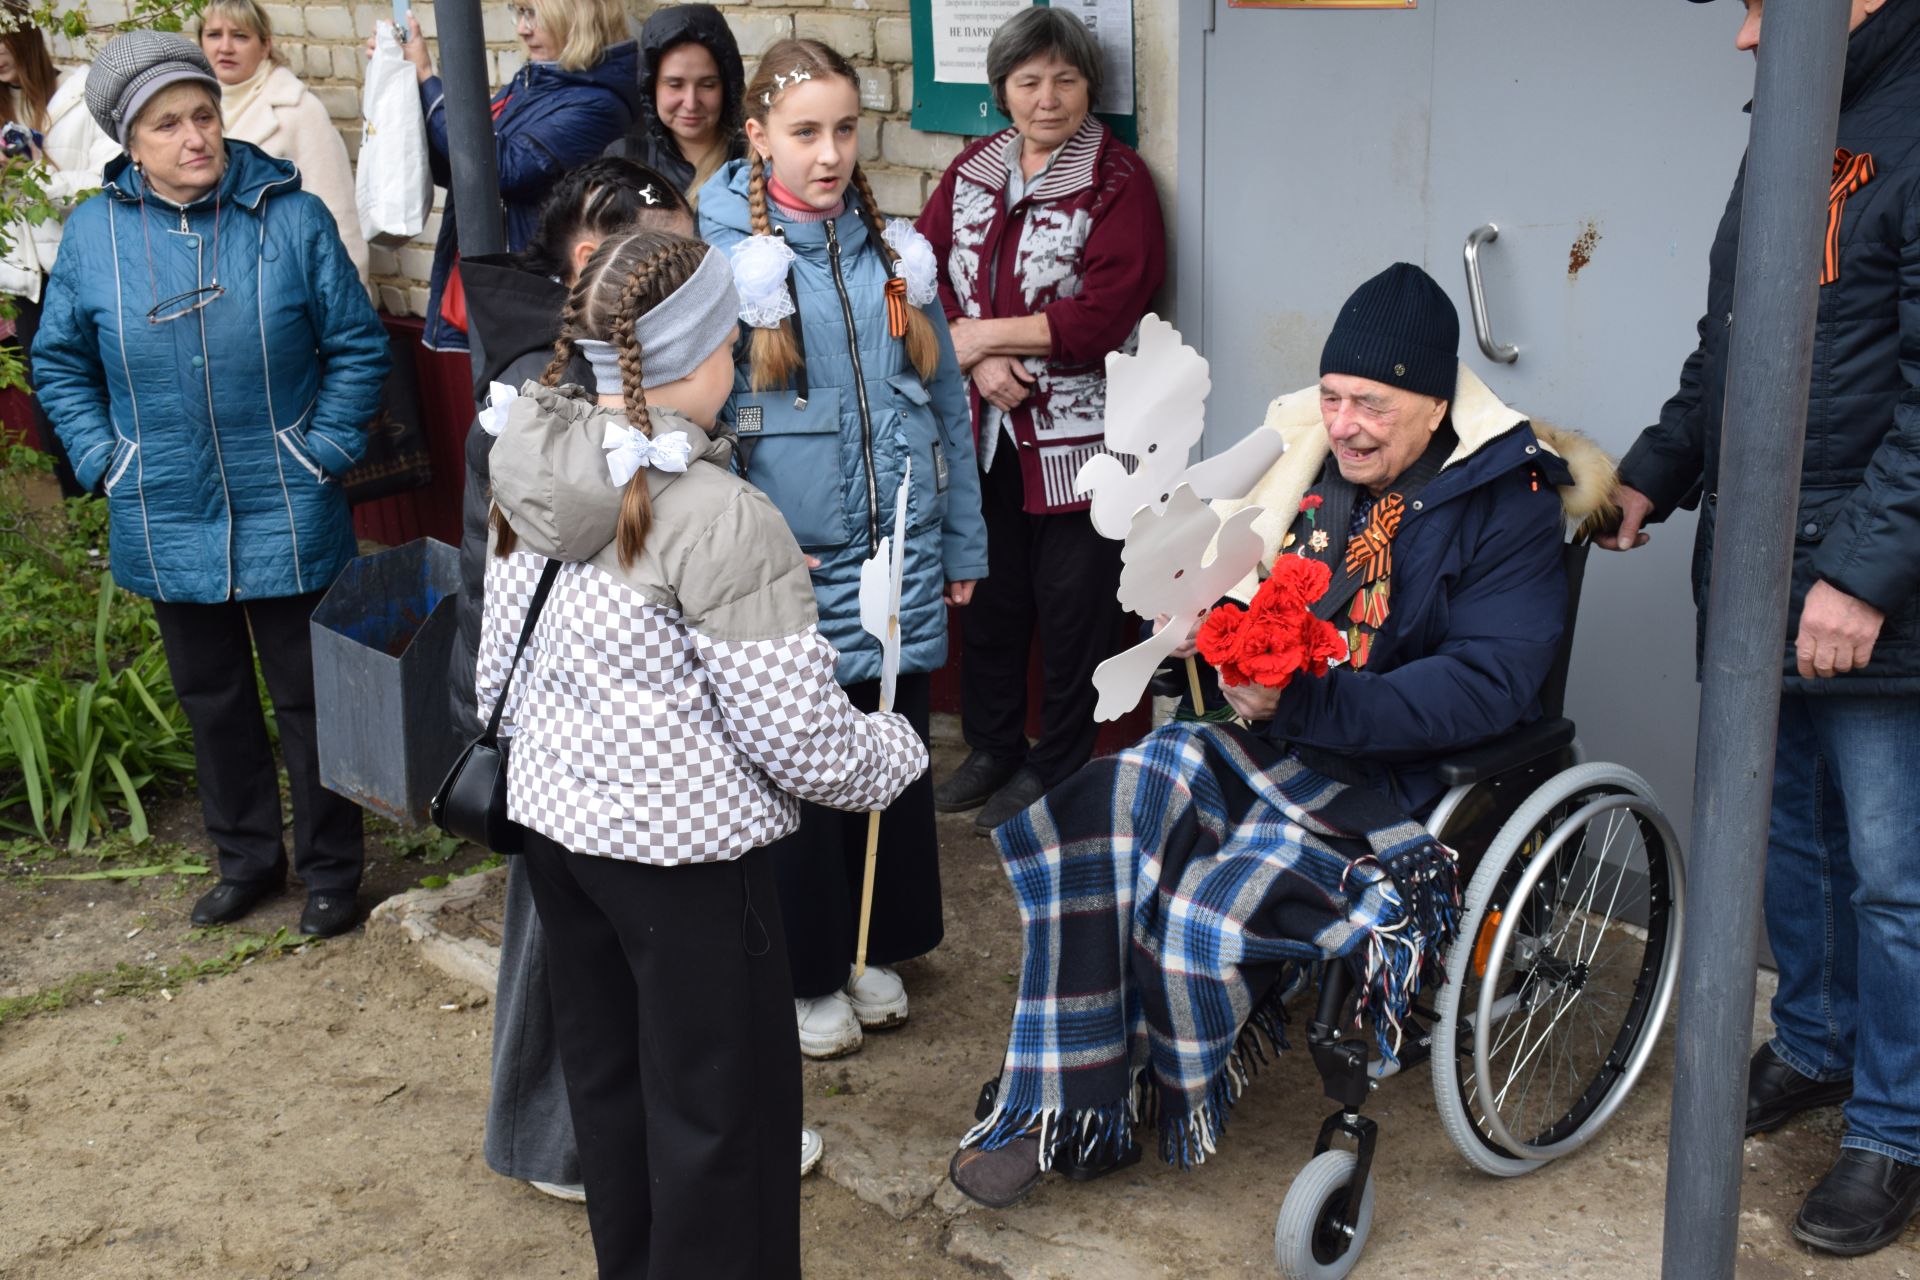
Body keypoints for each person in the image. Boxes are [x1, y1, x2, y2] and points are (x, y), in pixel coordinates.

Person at [947, 263, 1617, 1208]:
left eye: (1371, 405)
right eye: (1333, 397)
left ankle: (1128, 1087)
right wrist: (1201, 625)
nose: (1342, 424)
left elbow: (1487, 687)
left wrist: (1300, 703)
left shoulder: (1509, 505)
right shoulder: (1308, 467)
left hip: (1392, 784)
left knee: (1196, 903)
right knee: (1106, 811)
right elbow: (1226, 572)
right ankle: (1063, 1094)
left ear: (1435, 403)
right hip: (1269, 741)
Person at [479, 228, 927, 1277]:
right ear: (710, 349)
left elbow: (493, 659)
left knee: (615, 1084)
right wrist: (892, 749)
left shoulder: (530, 463)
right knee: (727, 1115)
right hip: (685, 865)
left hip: (559, 835)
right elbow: (800, 740)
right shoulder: (722, 513)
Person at [1603, 0, 1920, 1256]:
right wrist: (1650, 472)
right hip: (1759, 579)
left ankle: (1895, 1125)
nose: (1747, 38)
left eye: (1761, 5)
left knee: (1895, 879)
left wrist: (1864, 576)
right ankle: (1818, 1043)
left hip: (1863, 594)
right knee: (1785, 836)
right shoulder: (1797, 126)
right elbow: (1731, 351)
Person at [32, 32, 388, 937]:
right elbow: (61, 364)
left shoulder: (290, 218)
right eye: (168, 124)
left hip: (289, 497)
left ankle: (331, 872)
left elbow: (356, 344)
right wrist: (109, 460)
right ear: (130, 141)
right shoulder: (95, 237)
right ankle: (246, 862)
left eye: (202, 115)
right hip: (165, 505)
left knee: (310, 701)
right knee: (214, 701)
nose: (195, 136)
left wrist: (323, 450)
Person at [699, 38, 988, 1060]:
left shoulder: (893, 254)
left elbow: (945, 401)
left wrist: (961, 538)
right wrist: (741, 553)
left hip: (896, 555)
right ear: (758, 136)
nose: (829, 154)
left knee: (892, 747)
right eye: (804, 132)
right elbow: (701, 422)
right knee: (804, 771)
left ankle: (875, 941)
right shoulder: (720, 253)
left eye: (845, 129)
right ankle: (807, 965)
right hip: (791, 568)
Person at [448, 156, 693, 1207]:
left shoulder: (638, 374)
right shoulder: (535, 404)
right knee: (563, 953)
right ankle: (556, 1143)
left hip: (621, 723)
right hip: (576, 729)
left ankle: (607, 1132)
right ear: (597, 265)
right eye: (672, 254)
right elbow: (501, 573)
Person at [916, 6, 1166, 836]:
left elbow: (1102, 315)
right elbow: (923, 276)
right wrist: (978, 361)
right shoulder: (971, 171)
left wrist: (980, 333)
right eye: (1029, 81)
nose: (1048, 98)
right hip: (986, 434)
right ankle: (990, 749)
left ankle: (1058, 763)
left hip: (1081, 447)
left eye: (1065, 79)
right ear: (1002, 91)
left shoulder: (1116, 181)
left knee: (1072, 611)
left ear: (1090, 86)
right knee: (991, 603)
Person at [375, 0, 638, 351]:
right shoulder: (535, 80)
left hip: (535, 304)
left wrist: (428, 79)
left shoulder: (597, 104)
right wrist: (407, 90)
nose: (521, 29)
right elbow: (459, 169)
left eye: (533, 14)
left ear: (577, 17)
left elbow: (498, 169)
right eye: (520, 13)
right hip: (500, 289)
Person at [0, 9, 118, 494]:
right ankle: (84, 517)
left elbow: (109, 183)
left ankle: (127, 507)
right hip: (27, 283)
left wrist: (36, 171)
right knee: (55, 406)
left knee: (107, 391)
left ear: (24, 35)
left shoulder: (81, 96)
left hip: (88, 271)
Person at [200, 0, 368, 283]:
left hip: (282, 286)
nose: (225, 47)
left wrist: (350, 295)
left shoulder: (298, 110)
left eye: (240, 36)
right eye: (214, 35)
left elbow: (337, 214)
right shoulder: (191, 111)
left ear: (265, 45)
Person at [601, 4, 744, 210]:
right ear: (651, 87)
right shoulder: (626, 160)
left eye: (707, 85)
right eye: (675, 85)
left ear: (727, 87)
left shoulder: (753, 158)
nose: (691, 103)